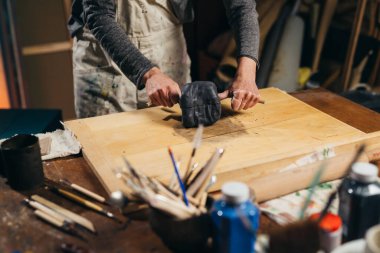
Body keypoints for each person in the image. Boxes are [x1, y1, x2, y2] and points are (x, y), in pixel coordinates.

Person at [68, 0, 261, 118]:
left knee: (177, 155)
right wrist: (149, 73)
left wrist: (247, 73)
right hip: (104, 57)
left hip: (167, 47)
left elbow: (241, 6)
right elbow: (98, 15)